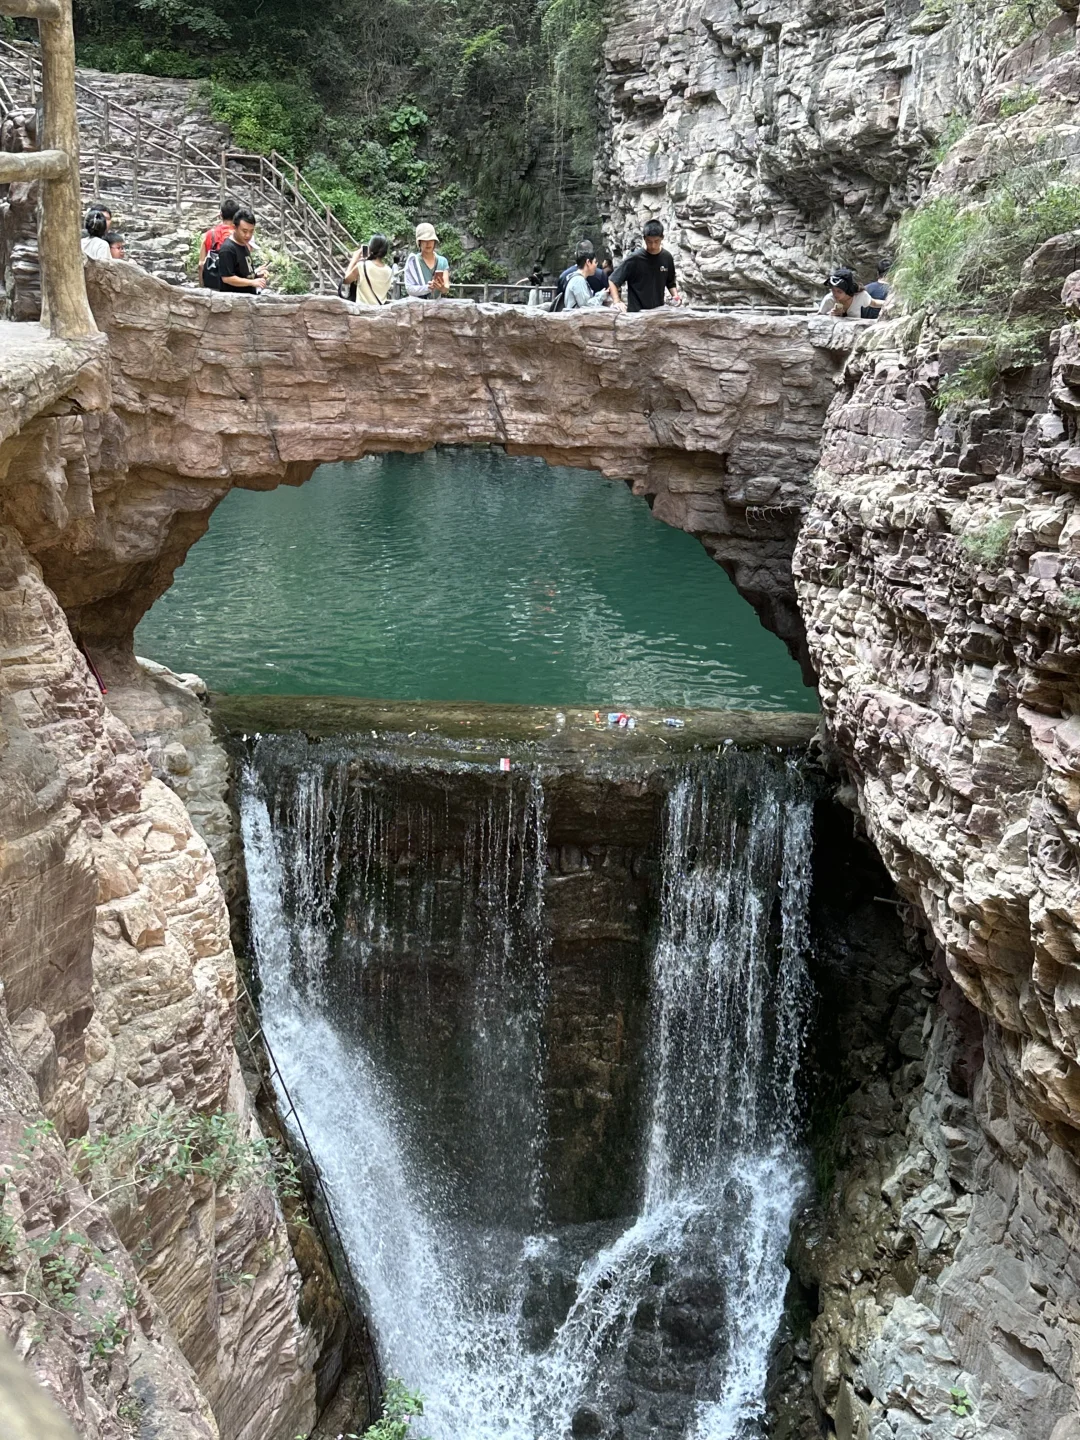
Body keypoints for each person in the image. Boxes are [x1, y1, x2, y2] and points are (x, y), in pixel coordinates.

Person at [607, 220, 681, 311]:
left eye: (656, 241)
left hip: (659, 312)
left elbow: (670, 283)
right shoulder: (634, 259)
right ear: (644, 238)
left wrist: (675, 296)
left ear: (662, 237)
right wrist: (617, 301)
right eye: (649, 242)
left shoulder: (667, 257)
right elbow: (613, 280)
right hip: (636, 313)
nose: (653, 245)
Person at [216, 208, 268, 293]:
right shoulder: (227, 249)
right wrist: (252, 282)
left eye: (251, 231)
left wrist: (256, 275)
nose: (248, 235)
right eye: (244, 231)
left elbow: (244, 274)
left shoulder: (244, 245)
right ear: (234, 228)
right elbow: (227, 278)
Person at [200, 196, 241, 287]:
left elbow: (201, 265)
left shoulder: (209, 235)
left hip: (212, 286)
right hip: (234, 286)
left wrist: (202, 287)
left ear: (221, 215)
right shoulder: (240, 237)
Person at [345, 233, 393, 306]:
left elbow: (346, 280)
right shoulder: (389, 270)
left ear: (370, 248)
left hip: (362, 312)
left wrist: (354, 259)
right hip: (379, 312)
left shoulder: (362, 266)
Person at [404, 222, 450, 298]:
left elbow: (446, 287)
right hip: (417, 306)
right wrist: (427, 288)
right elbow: (409, 288)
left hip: (436, 307)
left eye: (431, 240)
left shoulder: (442, 261)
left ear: (434, 241)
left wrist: (441, 287)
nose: (428, 243)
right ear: (419, 242)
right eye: (424, 240)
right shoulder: (413, 261)